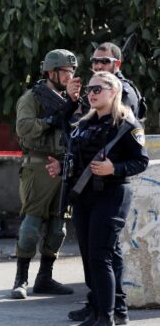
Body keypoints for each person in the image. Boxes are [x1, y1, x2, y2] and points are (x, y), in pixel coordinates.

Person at [47, 71, 148, 326]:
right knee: (95, 254)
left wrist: (115, 168)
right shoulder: (85, 123)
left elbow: (141, 161)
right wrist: (62, 166)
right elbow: (77, 153)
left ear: (113, 91)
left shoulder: (127, 124)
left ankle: (107, 316)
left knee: (100, 255)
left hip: (112, 194)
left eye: (98, 89)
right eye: (89, 89)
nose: (91, 94)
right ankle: (101, 310)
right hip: (84, 196)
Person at [10, 49, 79, 299]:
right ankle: (21, 279)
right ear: (51, 72)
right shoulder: (32, 98)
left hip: (64, 167)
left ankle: (45, 277)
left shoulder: (71, 101)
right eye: (66, 72)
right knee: (30, 227)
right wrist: (51, 120)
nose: (71, 76)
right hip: (37, 167)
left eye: (73, 72)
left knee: (58, 229)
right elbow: (24, 128)